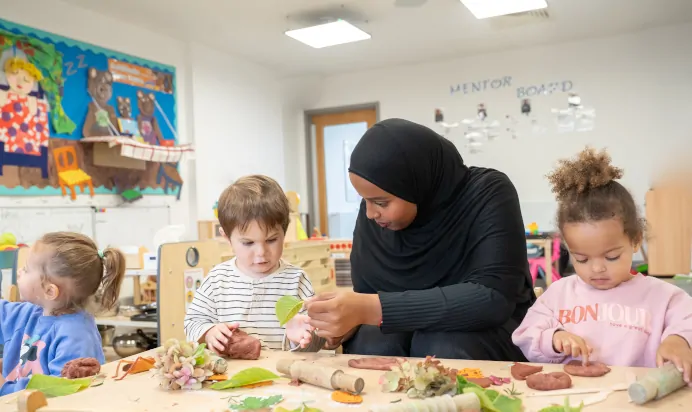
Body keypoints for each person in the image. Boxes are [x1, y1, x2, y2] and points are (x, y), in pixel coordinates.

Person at [304, 118, 534, 360]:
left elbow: (492, 298)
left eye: (381, 202)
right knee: (374, 343)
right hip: (409, 331)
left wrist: (371, 308)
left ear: (416, 182)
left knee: (443, 346)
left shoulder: (487, 192)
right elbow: (368, 292)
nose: (371, 213)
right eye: (365, 200)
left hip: (486, 331)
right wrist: (342, 324)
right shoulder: (375, 216)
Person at [512, 147, 692, 384]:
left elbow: (687, 320)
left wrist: (679, 340)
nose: (596, 269)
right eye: (582, 259)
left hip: (639, 398)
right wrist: (554, 338)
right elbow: (525, 336)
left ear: (635, 240)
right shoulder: (558, 294)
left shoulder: (664, 296)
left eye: (611, 257)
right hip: (574, 396)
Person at [184, 175, 323, 353]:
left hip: (280, 375)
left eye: (271, 240)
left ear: (285, 232)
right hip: (230, 375)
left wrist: (301, 338)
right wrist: (210, 332)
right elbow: (192, 323)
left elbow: (317, 342)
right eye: (248, 243)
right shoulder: (217, 279)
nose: (261, 252)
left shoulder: (296, 280)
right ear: (227, 238)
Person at [0, 232, 125, 395]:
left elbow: (61, 393)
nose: (19, 273)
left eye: (27, 269)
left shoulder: (76, 336)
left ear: (50, 291)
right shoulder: (29, 313)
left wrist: (4, 387)